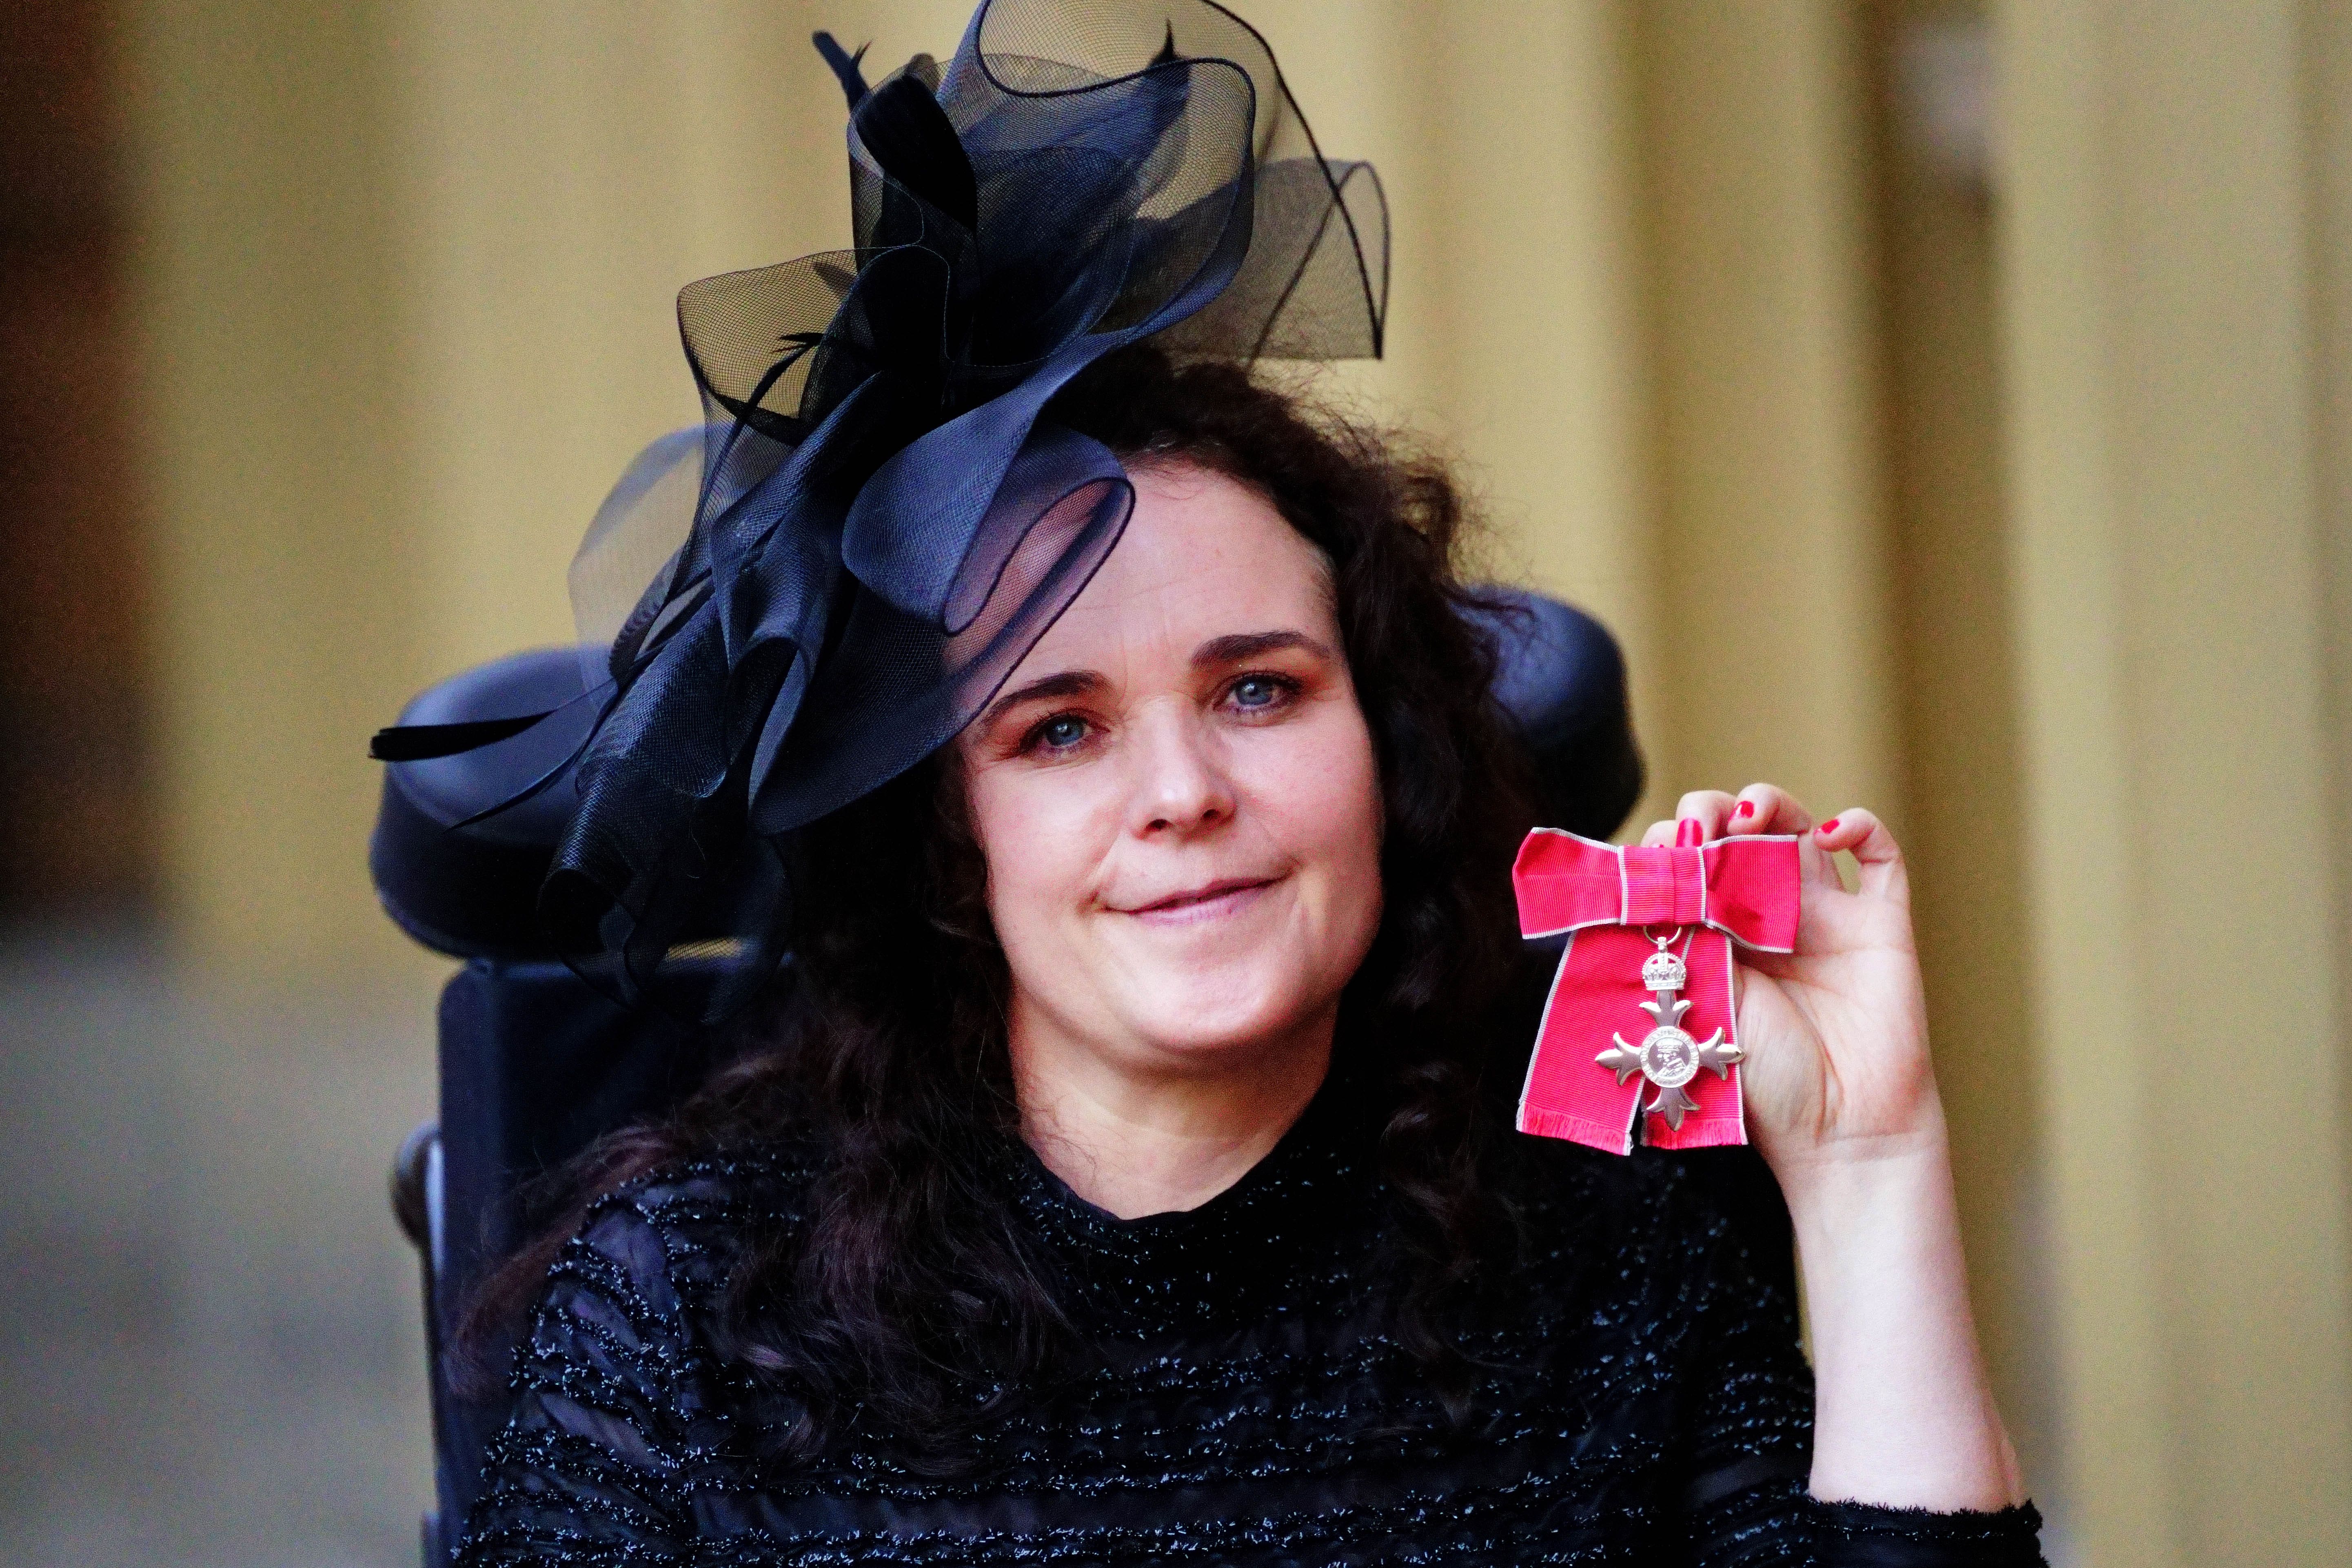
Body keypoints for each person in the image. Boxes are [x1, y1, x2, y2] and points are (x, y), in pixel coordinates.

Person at [434, 4, 2045, 1562]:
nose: (1184, 789)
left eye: (1257, 688)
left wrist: (1866, 1161)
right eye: (1056, 727)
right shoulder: (687, 1309)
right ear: (944, 836)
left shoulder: (1611, 1238)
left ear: (1386, 749)